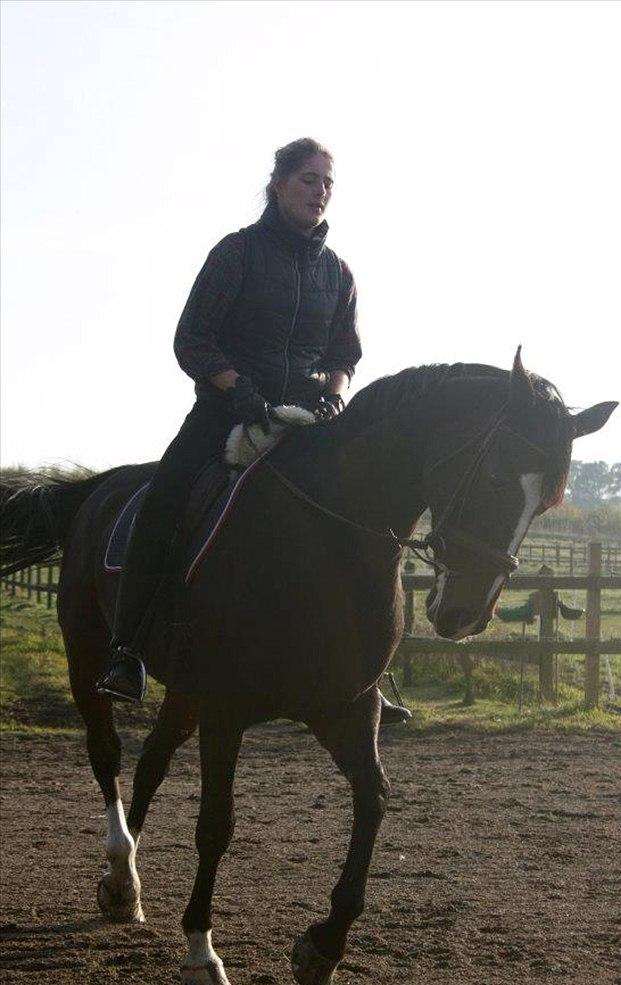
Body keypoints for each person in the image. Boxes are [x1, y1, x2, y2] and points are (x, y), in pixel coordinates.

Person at [96, 137, 411, 724]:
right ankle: (126, 651)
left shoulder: (338, 273)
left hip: (305, 422)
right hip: (223, 414)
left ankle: (362, 672)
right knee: (165, 502)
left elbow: (347, 353)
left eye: (327, 184)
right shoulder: (235, 254)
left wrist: (334, 392)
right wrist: (237, 387)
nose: (320, 192)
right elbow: (191, 339)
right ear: (278, 185)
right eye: (309, 180)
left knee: (362, 518)